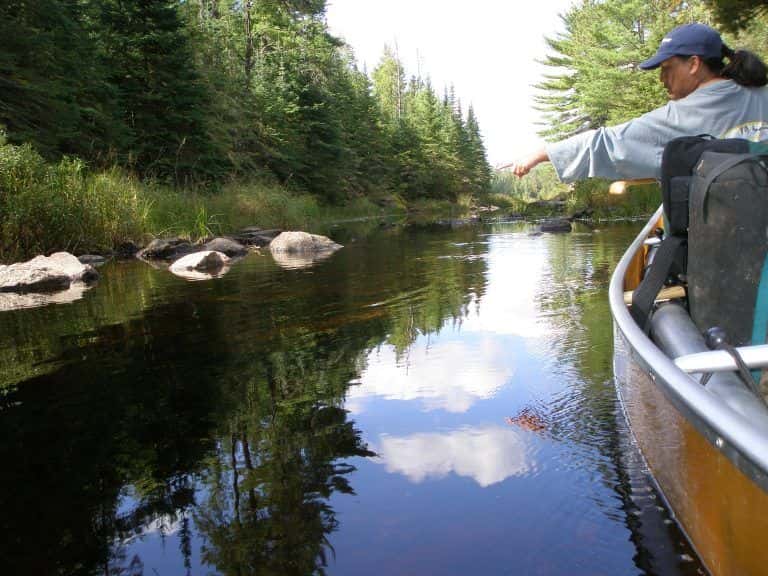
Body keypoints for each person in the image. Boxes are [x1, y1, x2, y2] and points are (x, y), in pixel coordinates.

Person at [505, 23, 768, 183]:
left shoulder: (678, 117)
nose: (662, 79)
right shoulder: (762, 92)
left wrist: (538, 155)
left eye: (667, 68)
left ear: (694, 64)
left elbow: (605, 144)